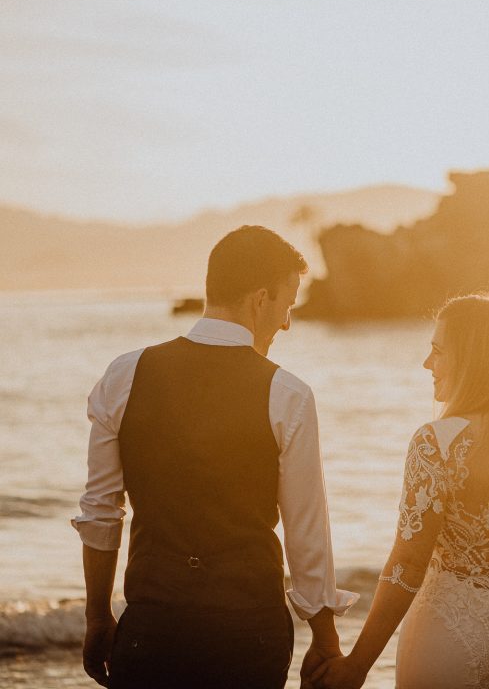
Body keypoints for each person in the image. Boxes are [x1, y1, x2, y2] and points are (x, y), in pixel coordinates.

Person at [72, 225, 358, 689]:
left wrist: (97, 617)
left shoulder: (124, 375)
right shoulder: (288, 393)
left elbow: (101, 513)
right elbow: (307, 533)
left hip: (151, 628)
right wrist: (324, 639)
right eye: (287, 305)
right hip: (249, 634)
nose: (287, 322)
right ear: (261, 298)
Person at [312, 293, 489, 689]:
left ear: (471, 359)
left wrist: (357, 664)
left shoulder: (436, 443)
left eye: (438, 352)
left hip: (448, 644)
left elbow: (408, 564)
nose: (428, 364)